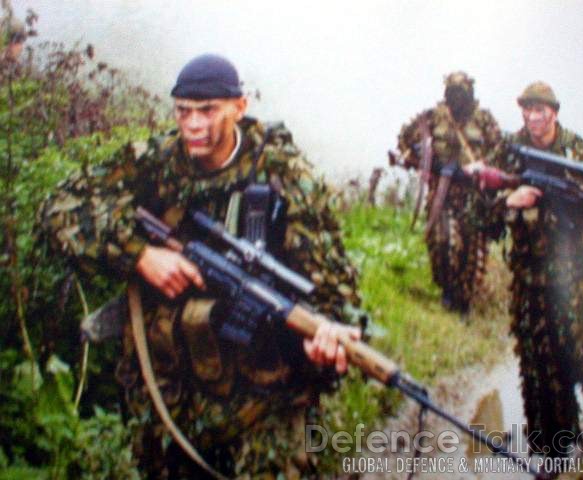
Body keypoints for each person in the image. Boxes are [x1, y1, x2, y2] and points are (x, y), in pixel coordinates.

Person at [40, 53, 363, 478]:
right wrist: (141, 254)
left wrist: (330, 331)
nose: (192, 125)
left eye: (207, 111)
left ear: (239, 107)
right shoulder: (154, 162)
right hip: (169, 391)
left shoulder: (283, 174)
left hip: (262, 396)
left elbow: (332, 280)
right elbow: (58, 208)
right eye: (183, 112)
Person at [485, 81, 583, 457]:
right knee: (539, 362)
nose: (532, 117)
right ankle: (551, 447)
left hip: (578, 274)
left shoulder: (578, 151)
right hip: (530, 276)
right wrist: (510, 200)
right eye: (526, 110)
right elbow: (482, 208)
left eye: (539, 110)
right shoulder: (509, 150)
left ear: (554, 113)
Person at [395, 71, 501, 314]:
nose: (456, 98)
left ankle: (464, 300)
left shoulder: (484, 120)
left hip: (474, 195)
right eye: (452, 92)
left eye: (461, 93)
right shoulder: (433, 117)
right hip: (442, 191)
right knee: (443, 241)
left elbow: (499, 151)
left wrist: (480, 167)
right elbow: (405, 139)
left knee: (472, 254)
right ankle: (448, 290)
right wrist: (425, 162)